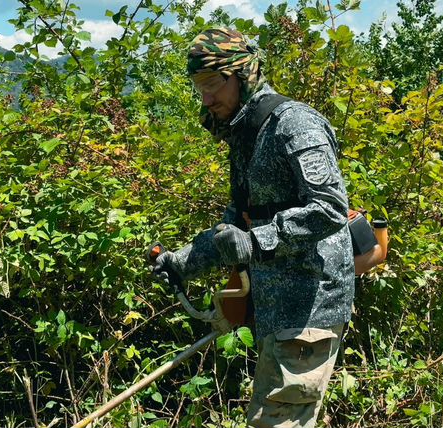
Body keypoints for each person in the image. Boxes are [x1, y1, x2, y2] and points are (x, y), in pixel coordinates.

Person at [151, 27, 355, 428]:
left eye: (212, 85)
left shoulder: (294, 125)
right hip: (276, 309)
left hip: (309, 306)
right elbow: (237, 224)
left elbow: (330, 208)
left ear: (243, 74)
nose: (206, 99)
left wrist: (257, 241)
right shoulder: (247, 133)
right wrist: (183, 262)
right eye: (199, 88)